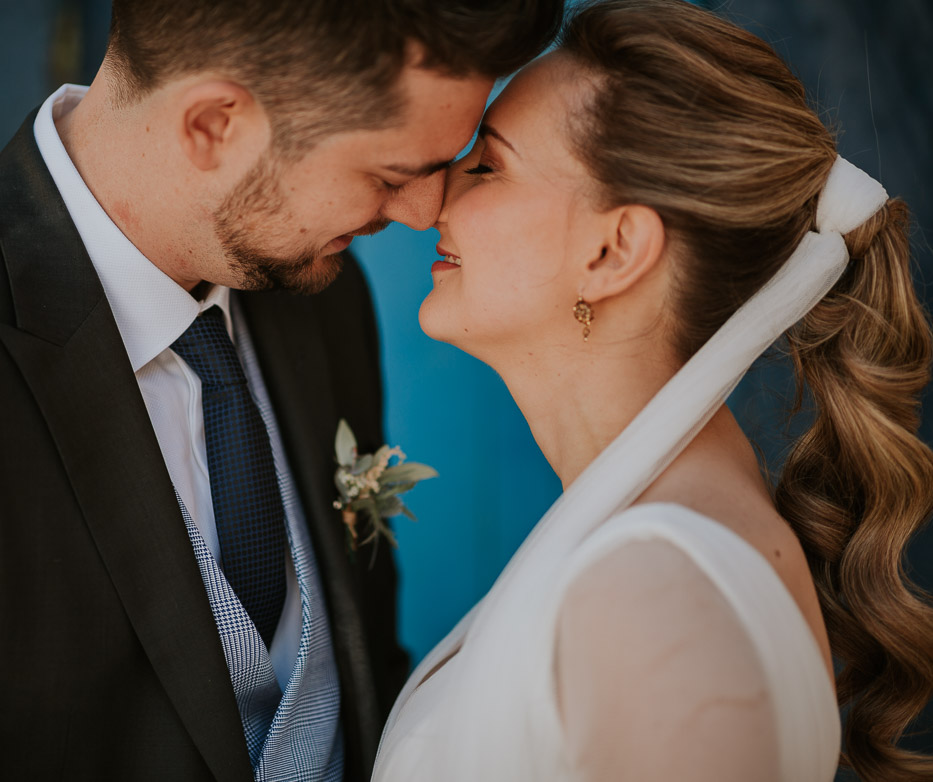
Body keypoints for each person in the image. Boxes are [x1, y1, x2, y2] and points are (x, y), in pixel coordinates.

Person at [0, 1, 563, 779]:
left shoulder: (324, 299)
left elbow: (354, 674)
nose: (426, 210)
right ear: (213, 124)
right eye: (391, 173)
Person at [372, 1, 933, 780]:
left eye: (489, 165)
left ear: (614, 250)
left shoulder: (653, 599)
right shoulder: (651, 548)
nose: (435, 198)